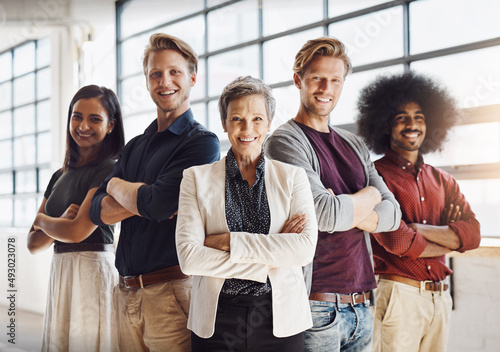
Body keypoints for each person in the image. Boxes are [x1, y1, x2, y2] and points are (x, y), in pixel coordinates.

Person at [264, 37, 401, 352]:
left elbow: (392, 215)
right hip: (317, 306)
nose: (326, 87)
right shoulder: (286, 142)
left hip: (363, 304)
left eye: (335, 80)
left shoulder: (354, 144)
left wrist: (346, 208)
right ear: (298, 80)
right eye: (317, 78)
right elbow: (326, 214)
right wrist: (369, 195)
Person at [89, 33, 219, 352]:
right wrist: (139, 196)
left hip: (171, 291)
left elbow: (159, 204)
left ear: (192, 78)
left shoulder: (202, 143)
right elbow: (96, 209)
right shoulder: (135, 146)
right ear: (147, 81)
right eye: (155, 74)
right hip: (126, 292)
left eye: (174, 72)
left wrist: (118, 188)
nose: (165, 82)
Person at [175, 76, 318, 352]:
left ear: (268, 123)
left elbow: (302, 250)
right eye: (237, 118)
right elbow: (190, 259)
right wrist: (272, 258)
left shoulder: (293, 178)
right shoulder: (195, 178)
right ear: (225, 123)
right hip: (216, 319)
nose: (246, 128)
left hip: (280, 317)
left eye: (257, 119)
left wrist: (229, 242)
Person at [356, 71, 481, 352]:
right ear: (385, 124)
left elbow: (473, 235)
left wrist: (418, 229)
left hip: (440, 299)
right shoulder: (375, 177)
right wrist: (450, 239)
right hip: (399, 296)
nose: (412, 124)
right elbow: (397, 242)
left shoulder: (443, 180)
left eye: (419, 117)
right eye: (402, 117)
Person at [27, 85, 125, 351]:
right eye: (76, 116)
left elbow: (77, 231)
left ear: (111, 124)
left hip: (91, 271)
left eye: (95, 118)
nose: (83, 125)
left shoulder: (110, 168)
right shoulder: (59, 176)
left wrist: (42, 221)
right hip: (61, 270)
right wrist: (57, 221)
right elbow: (32, 244)